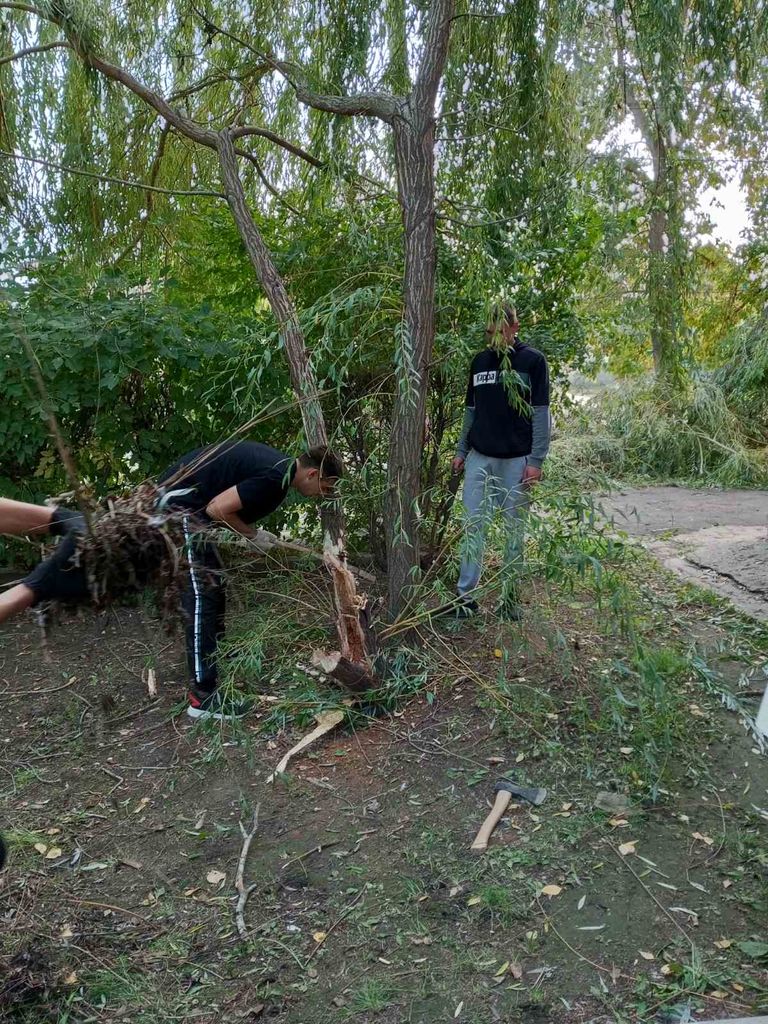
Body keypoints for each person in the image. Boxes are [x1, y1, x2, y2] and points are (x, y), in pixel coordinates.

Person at [0, 441, 344, 719]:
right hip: (181, 514)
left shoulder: (276, 465)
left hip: (167, 507)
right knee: (203, 595)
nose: (324, 495)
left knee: (80, 530)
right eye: (326, 487)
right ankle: (204, 697)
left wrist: (248, 533)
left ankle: (207, 682)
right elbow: (217, 510)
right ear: (313, 474)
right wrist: (252, 535)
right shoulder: (276, 477)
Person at [445, 302, 550, 620]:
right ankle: (466, 599)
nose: (495, 340)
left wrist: (536, 460)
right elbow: (470, 412)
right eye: (490, 333)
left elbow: (541, 415)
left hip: (516, 462)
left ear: (515, 328)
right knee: (472, 527)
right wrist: (461, 451)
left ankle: (509, 600)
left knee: (513, 531)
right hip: (479, 458)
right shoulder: (479, 362)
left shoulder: (533, 361)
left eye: (501, 333)